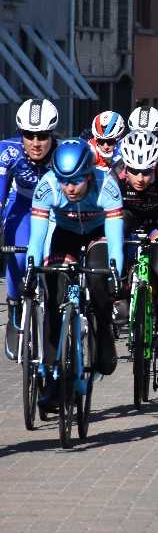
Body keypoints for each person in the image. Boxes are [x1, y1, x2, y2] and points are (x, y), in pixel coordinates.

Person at [27, 139, 124, 410]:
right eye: (64, 180)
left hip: (98, 234)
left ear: (89, 174)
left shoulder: (107, 185)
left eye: (77, 181)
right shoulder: (47, 185)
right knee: (54, 294)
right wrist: (31, 270)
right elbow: (37, 237)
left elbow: (115, 240)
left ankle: (104, 335)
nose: (69, 187)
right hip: (65, 235)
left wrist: (115, 272)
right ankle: (52, 378)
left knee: (98, 279)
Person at [112, 131, 158, 388]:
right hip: (129, 217)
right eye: (135, 171)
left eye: (146, 172)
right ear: (126, 166)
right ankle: (120, 294)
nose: (141, 178)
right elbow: (106, 216)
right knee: (114, 236)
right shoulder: (116, 174)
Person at [0, 99, 59, 359]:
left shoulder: (62, 154)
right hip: (22, 205)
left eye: (43, 135)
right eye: (29, 135)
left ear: (52, 134)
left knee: (53, 261)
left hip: (54, 210)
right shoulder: (8, 151)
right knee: (19, 255)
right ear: (20, 134)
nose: (36, 142)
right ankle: (14, 311)